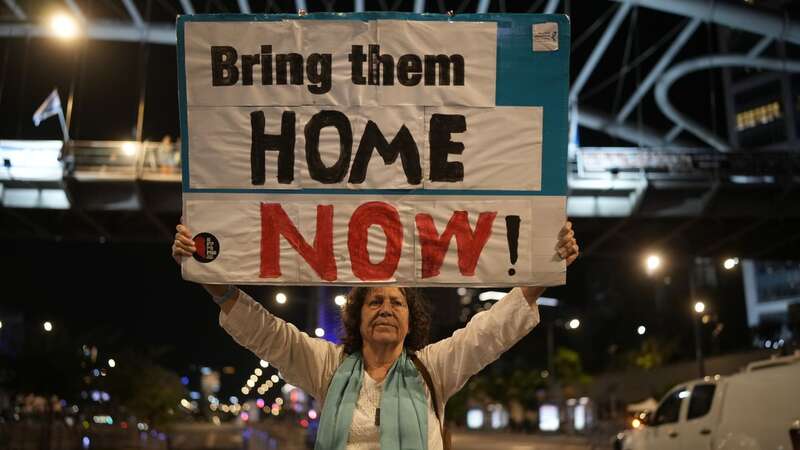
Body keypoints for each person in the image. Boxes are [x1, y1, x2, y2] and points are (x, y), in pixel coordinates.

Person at [172, 222, 579, 450]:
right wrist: (213, 280)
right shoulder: (327, 366)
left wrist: (543, 270)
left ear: (409, 320)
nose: (385, 308)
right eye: (374, 302)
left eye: (396, 303)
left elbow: (490, 332)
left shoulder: (432, 367)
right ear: (357, 316)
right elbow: (267, 334)